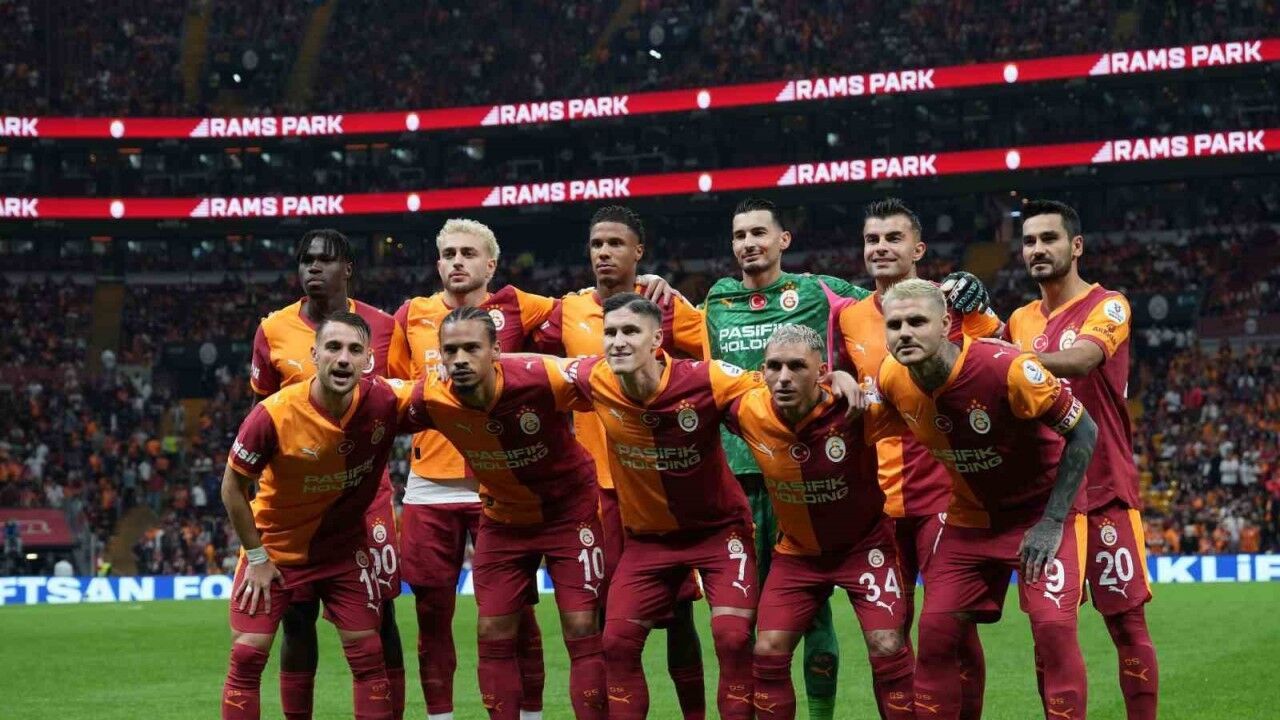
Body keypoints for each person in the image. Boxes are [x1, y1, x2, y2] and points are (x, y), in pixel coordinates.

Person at [389, 217, 671, 720]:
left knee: (573, 624)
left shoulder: (535, 348)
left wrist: (638, 288)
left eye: (468, 253)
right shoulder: (418, 344)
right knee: (473, 623)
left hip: (556, 502)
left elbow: (594, 335)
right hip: (465, 498)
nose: (457, 262)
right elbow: (380, 400)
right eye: (448, 254)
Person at [563, 292, 862, 719]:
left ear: (657, 340)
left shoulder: (708, 378)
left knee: (733, 637)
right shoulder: (593, 378)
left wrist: (838, 378)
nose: (618, 341)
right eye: (610, 332)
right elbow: (534, 370)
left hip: (718, 533)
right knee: (615, 643)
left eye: (630, 331)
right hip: (648, 540)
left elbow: (777, 387)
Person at [869, 279, 1097, 719]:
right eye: (894, 325)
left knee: (1053, 630)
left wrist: (1052, 521)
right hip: (970, 521)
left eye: (917, 322)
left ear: (945, 324)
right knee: (935, 634)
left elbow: (1085, 431)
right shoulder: (892, 377)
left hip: (1042, 515)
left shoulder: (1007, 368)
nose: (905, 333)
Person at [532, 205, 707, 719]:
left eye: (615, 243)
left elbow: (712, 351)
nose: (604, 253)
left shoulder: (665, 307)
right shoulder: (566, 311)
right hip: (594, 494)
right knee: (603, 619)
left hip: (660, 488)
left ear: (639, 251)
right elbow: (524, 355)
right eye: (596, 244)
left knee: (679, 615)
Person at [701, 197, 871, 720]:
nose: (748, 243)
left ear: (783, 240)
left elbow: (887, 308)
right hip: (737, 479)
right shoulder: (716, 299)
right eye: (739, 235)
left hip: (805, 475)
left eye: (758, 232)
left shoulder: (820, 290)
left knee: (812, 611)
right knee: (741, 621)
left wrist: (844, 373)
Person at [834, 197, 998, 717]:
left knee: (953, 627)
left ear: (918, 249)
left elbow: (1000, 353)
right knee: (888, 633)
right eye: (872, 240)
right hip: (878, 502)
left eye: (893, 238)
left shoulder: (949, 304)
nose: (881, 248)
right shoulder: (848, 317)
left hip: (946, 495)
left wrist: (981, 301)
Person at [220, 312, 427, 720]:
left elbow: (442, 394)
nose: (343, 358)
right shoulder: (272, 415)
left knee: (368, 651)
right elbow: (232, 488)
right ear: (314, 354)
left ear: (368, 360)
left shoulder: (385, 400)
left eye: (354, 350)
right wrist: (257, 558)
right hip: (276, 551)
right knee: (247, 655)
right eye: (333, 347)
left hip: (343, 552)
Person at [411, 306, 608, 719]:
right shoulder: (431, 395)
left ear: (496, 351)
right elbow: (374, 402)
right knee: (492, 629)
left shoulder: (541, 376)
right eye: (451, 351)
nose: (460, 359)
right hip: (503, 520)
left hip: (568, 513)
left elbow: (607, 373)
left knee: (581, 627)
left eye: (472, 348)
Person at [1006, 199, 1158, 718]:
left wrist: (1014, 362)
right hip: (1045, 497)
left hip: (1105, 486)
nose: (1037, 249)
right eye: (1029, 241)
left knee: (1126, 624)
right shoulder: (1019, 320)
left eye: (1048, 238)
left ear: (1076, 246)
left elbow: (1086, 358)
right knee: (1048, 631)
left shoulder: (1109, 305)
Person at [249, 229, 408, 720]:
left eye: (325, 259)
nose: (313, 267)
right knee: (297, 616)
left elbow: (402, 400)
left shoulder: (383, 326)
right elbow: (262, 416)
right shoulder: (273, 330)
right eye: (305, 260)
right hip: (298, 503)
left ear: (348, 269)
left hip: (365, 496)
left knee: (380, 612)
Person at [722, 324, 913, 720]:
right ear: (762, 370)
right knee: (768, 650)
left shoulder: (855, 409)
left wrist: (851, 378)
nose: (784, 377)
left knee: (888, 646)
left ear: (821, 371)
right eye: (774, 366)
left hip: (864, 549)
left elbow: (911, 397)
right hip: (797, 554)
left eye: (797, 366)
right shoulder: (747, 410)